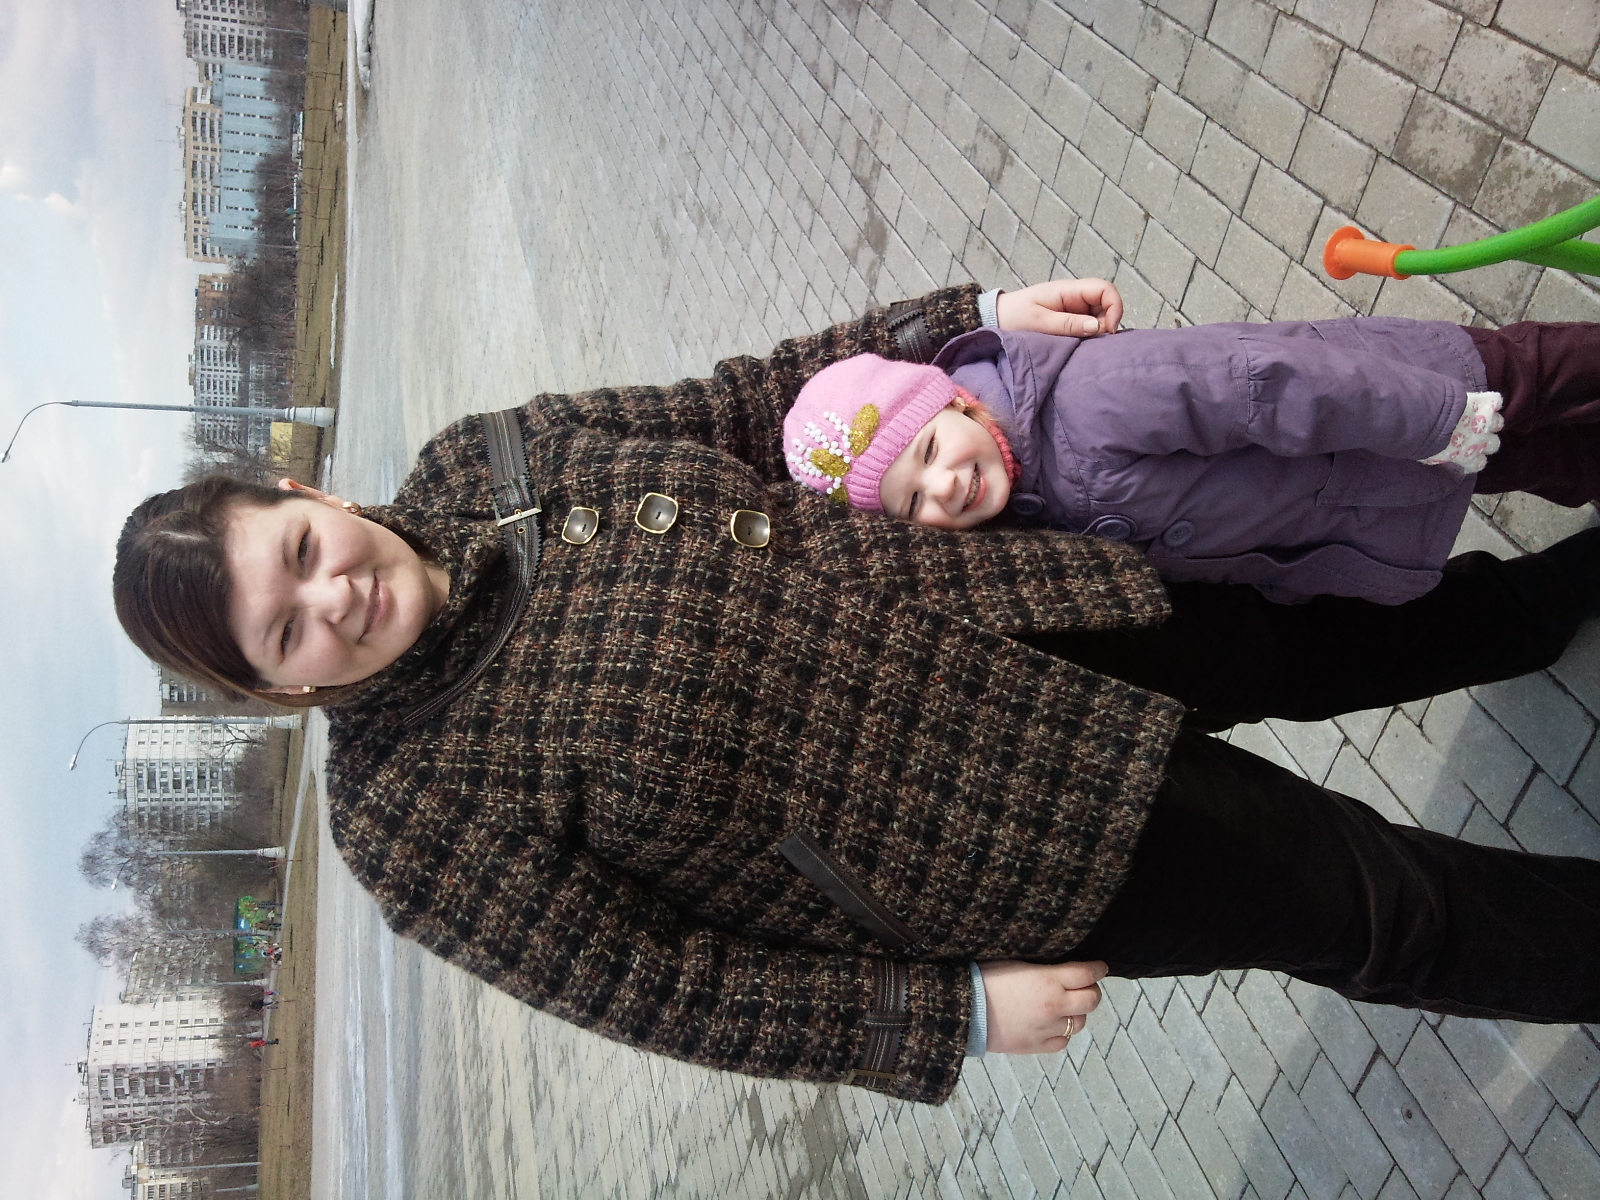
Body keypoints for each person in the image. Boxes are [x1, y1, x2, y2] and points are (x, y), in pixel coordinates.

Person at [113, 281, 1600, 1105]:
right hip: (1013, 841)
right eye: (284, 634)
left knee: (1312, 641)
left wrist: (968, 313)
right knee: (1365, 899)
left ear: (306, 497)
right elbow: (661, 986)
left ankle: (1542, 608)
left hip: (1036, 607)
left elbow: (748, 404)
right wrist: (938, 1017)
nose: (333, 598)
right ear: (279, 691)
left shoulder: (483, 460)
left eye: (298, 554)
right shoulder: (406, 825)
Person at [783, 293, 1599, 605]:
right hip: (1382, 470)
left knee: (1539, 377)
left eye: (930, 449)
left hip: (1404, 392)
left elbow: (1262, 382)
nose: (942, 487)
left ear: (958, 400)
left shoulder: (1092, 399)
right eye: (911, 501)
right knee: (1534, 463)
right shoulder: (1033, 514)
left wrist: (1431, 418)